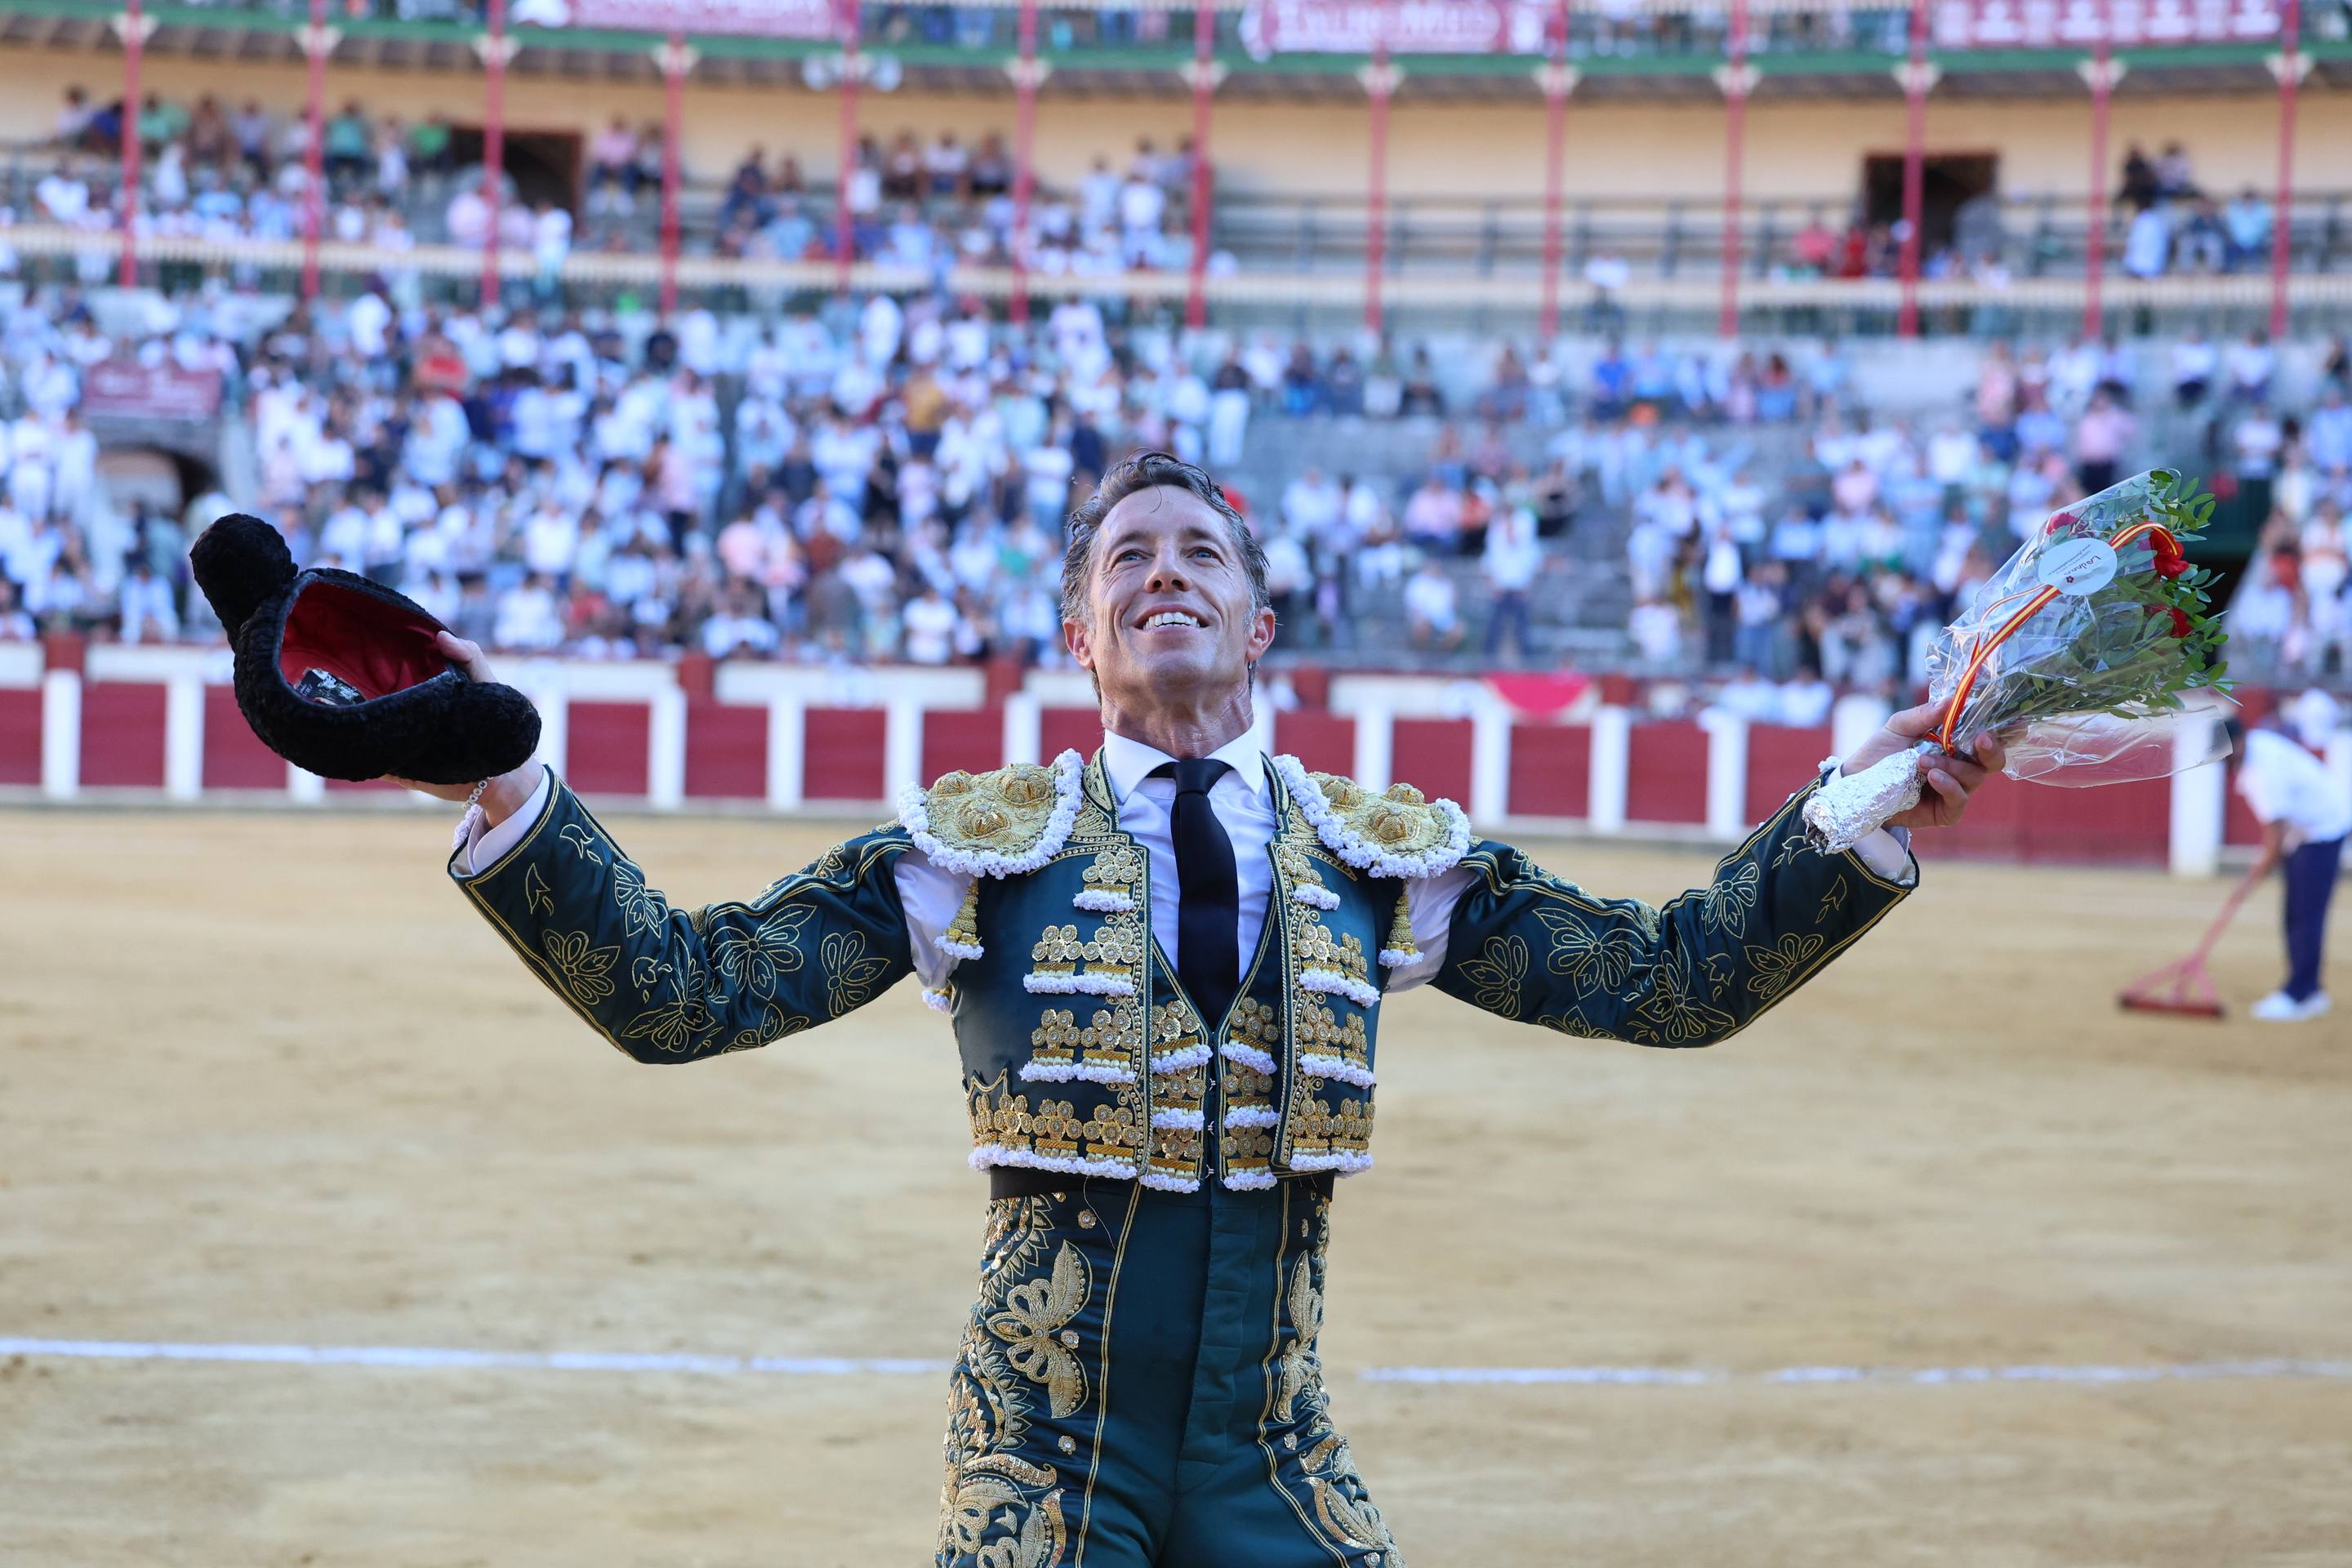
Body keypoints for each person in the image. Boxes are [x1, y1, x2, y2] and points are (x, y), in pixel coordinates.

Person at [395, 451, 2000, 1566]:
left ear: (1259, 623)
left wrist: (1851, 809)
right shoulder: (968, 848)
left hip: (1267, 1450)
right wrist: (508, 782)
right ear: (1081, 635)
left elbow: (1671, 982)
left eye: (1201, 556)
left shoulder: (1387, 858)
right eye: (1127, 563)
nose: (1167, 577)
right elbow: (689, 996)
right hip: (1041, 1454)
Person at [2230, 697, 2349, 1022]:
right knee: (2299, 914)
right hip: (2312, 830)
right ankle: (2308, 991)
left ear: (2237, 743)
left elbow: (2274, 839)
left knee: (2304, 916)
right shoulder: (2258, 745)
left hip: (2323, 830)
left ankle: (2300, 993)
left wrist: (2253, 877)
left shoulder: (2262, 771)